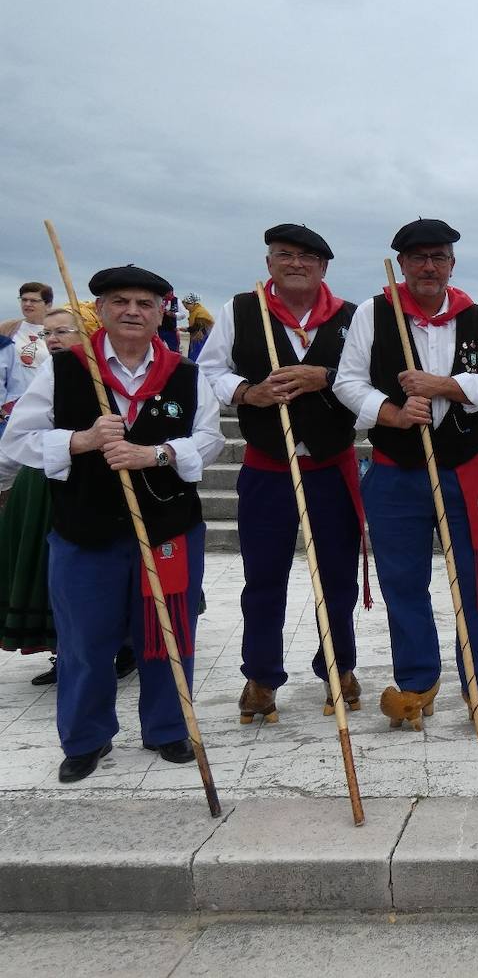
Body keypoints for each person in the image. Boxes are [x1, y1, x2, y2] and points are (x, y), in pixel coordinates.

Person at [0, 265, 224, 782]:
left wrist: (157, 453)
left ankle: (169, 729)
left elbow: (208, 440)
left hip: (168, 530)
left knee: (168, 636)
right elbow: (16, 441)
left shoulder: (186, 374)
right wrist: (79, 440)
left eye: (145, 304)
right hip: (86, 531)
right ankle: (86, 739)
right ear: (98, 310)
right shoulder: (65, 369)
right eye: (119, 301)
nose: (132, 311)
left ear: (160, 313)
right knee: (84, 642)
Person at [335, 218, 478, 731]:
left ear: (452, 264)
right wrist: (390, 412)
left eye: (438, 257)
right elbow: (347, 382)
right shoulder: (375, 312)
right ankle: (417, 682)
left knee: (477, 581)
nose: (428, 267)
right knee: (403, 582)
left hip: (461, 469)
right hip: (395, 471)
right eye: (418, 258)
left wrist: (443, 385)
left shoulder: (475, 317)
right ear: (404, 264)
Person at [197, 223, 368, 724]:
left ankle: (339, 669)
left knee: (337, 578)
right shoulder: (241, 309)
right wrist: (247, 392)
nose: (295, 263)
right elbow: (209, 369)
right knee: (263, 577)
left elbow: (368, 378)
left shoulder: (351, 318)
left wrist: (327, 378)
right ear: (269, 262)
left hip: (331, 466)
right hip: (268, 466)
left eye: (306, 257)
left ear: (323, 268)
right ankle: (261, 676)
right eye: (284, 254)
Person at [0, 310, 85, 679]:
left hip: (92, 480)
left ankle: (123, 646)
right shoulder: (48, 372)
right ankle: (63, 651)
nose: (53, 339)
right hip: (43, 481)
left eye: (63, 331)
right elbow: (19, 433)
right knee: (46, 570)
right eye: (47, 333)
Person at [2, 283, 54, 406]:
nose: (27, 304)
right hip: (9, 404)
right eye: (24, 300)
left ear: (48, 305)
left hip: (43, 401)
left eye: (34, 301)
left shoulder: (54, 332)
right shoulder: (7, 328)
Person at [184, 294, 215, 362]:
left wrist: (187, 329)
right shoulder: (194, 311)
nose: (185, 306)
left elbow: (198, 326)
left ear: (193, 304)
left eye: (187, 304)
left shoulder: (200, 312)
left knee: (197, 355)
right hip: (197, 336)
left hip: (200, 337)